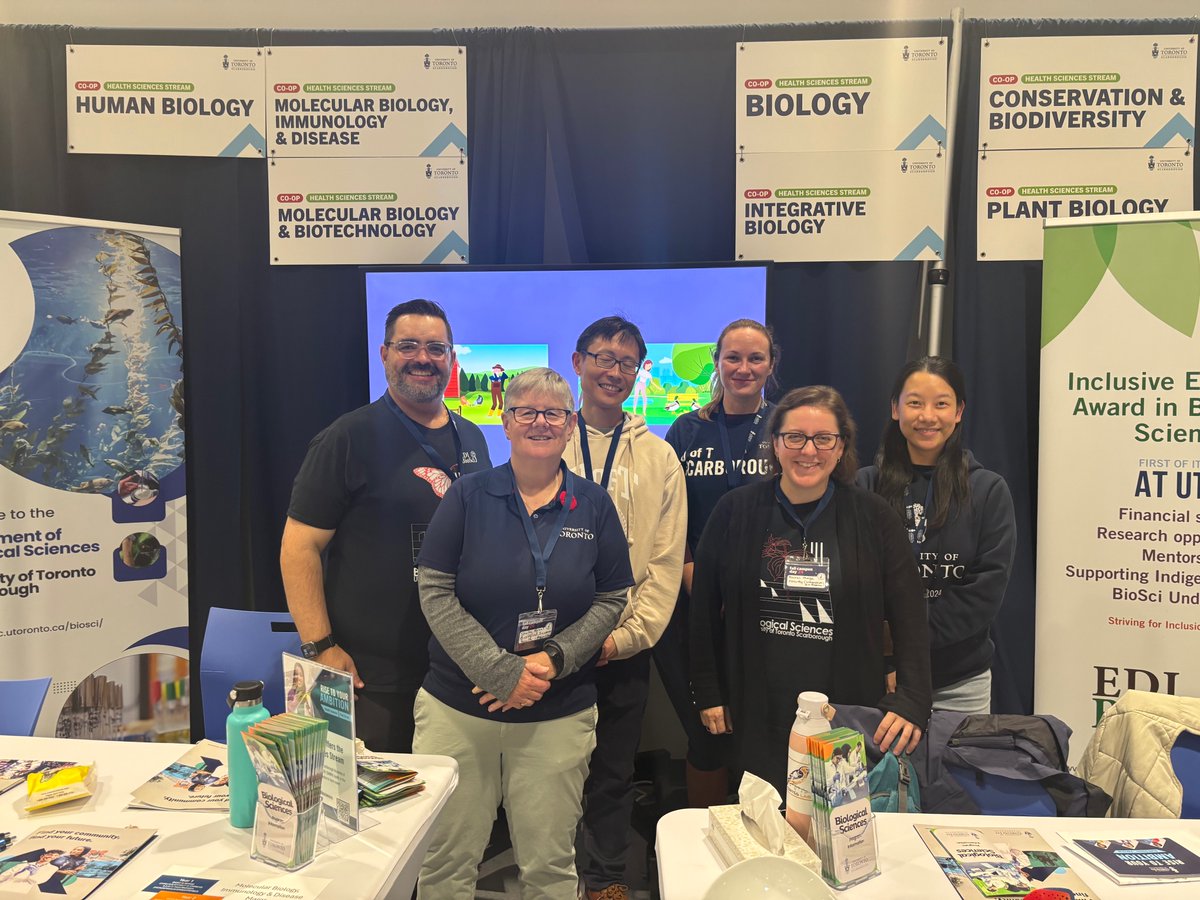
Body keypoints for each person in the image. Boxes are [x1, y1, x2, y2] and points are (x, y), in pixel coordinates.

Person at [413, 368, 633, 899]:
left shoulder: (594, 505)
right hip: (458, 709)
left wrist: (552, 661)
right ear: (505, 423)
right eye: (525, 412)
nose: (539, 422)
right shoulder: (467, 496)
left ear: (569, 423)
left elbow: (612, 599)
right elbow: (434, 591)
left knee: (551, 867)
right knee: (443, 864)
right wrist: (502, 672)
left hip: (556, 711)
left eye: (553, 412)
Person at [689, 386, 931, 798]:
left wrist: (913, 700)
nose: (809, 450)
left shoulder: (875, 518)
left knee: (839, 827)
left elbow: (910, 616)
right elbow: (704, 611)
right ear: (776, 444)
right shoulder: (736, 510)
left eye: (824, 439)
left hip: (845, 711)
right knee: (763, 829)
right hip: (756, 706)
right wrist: (708, 691)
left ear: (841, 448)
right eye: (795, 437)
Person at [281, 299, 491, 752]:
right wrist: (320, 647)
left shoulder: (472, 436)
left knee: (451, 813)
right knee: (375, 815)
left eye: (436, 349)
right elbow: (299, 547)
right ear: (384, 354)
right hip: (368, 677)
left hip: (455, 672)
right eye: (408, 346)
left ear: (452, 360)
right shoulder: (347, 437)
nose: (422, 359)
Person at [563, 317, 686, 900]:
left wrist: (624, 638)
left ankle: (607, 878)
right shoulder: (543, 439)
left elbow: (665, 562)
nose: (613, 371)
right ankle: (552, 875)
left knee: (613, 769)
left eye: (626, 363)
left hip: (621, 646)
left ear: (638, 372)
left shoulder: (659, 457)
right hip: (551, 648)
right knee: (549, 769)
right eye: (602, 358)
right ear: (577, 362)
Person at [659, 318, 778, 806]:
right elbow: (670, 515)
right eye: (733, 357)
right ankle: (706, 845)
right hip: (694, 602)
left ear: (771, 365)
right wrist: (700, 583)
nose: (743, 368)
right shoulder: (687, 429)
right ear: (717, 363)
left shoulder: (785, 427)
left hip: (768, 602)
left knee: (765, 727)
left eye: (755, 358)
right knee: (707, 734)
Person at [856, 356, 1016, 714]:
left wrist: (906, 646)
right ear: (895, 409)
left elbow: (984, 592)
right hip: (880, 679)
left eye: (941, 404)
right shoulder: (864, 486)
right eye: (914, 402)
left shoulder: (988, 490)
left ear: (958, 411)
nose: (927, 416)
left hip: (960, 683)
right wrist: (889, 660)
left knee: (954, 772)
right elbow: (854, 584)